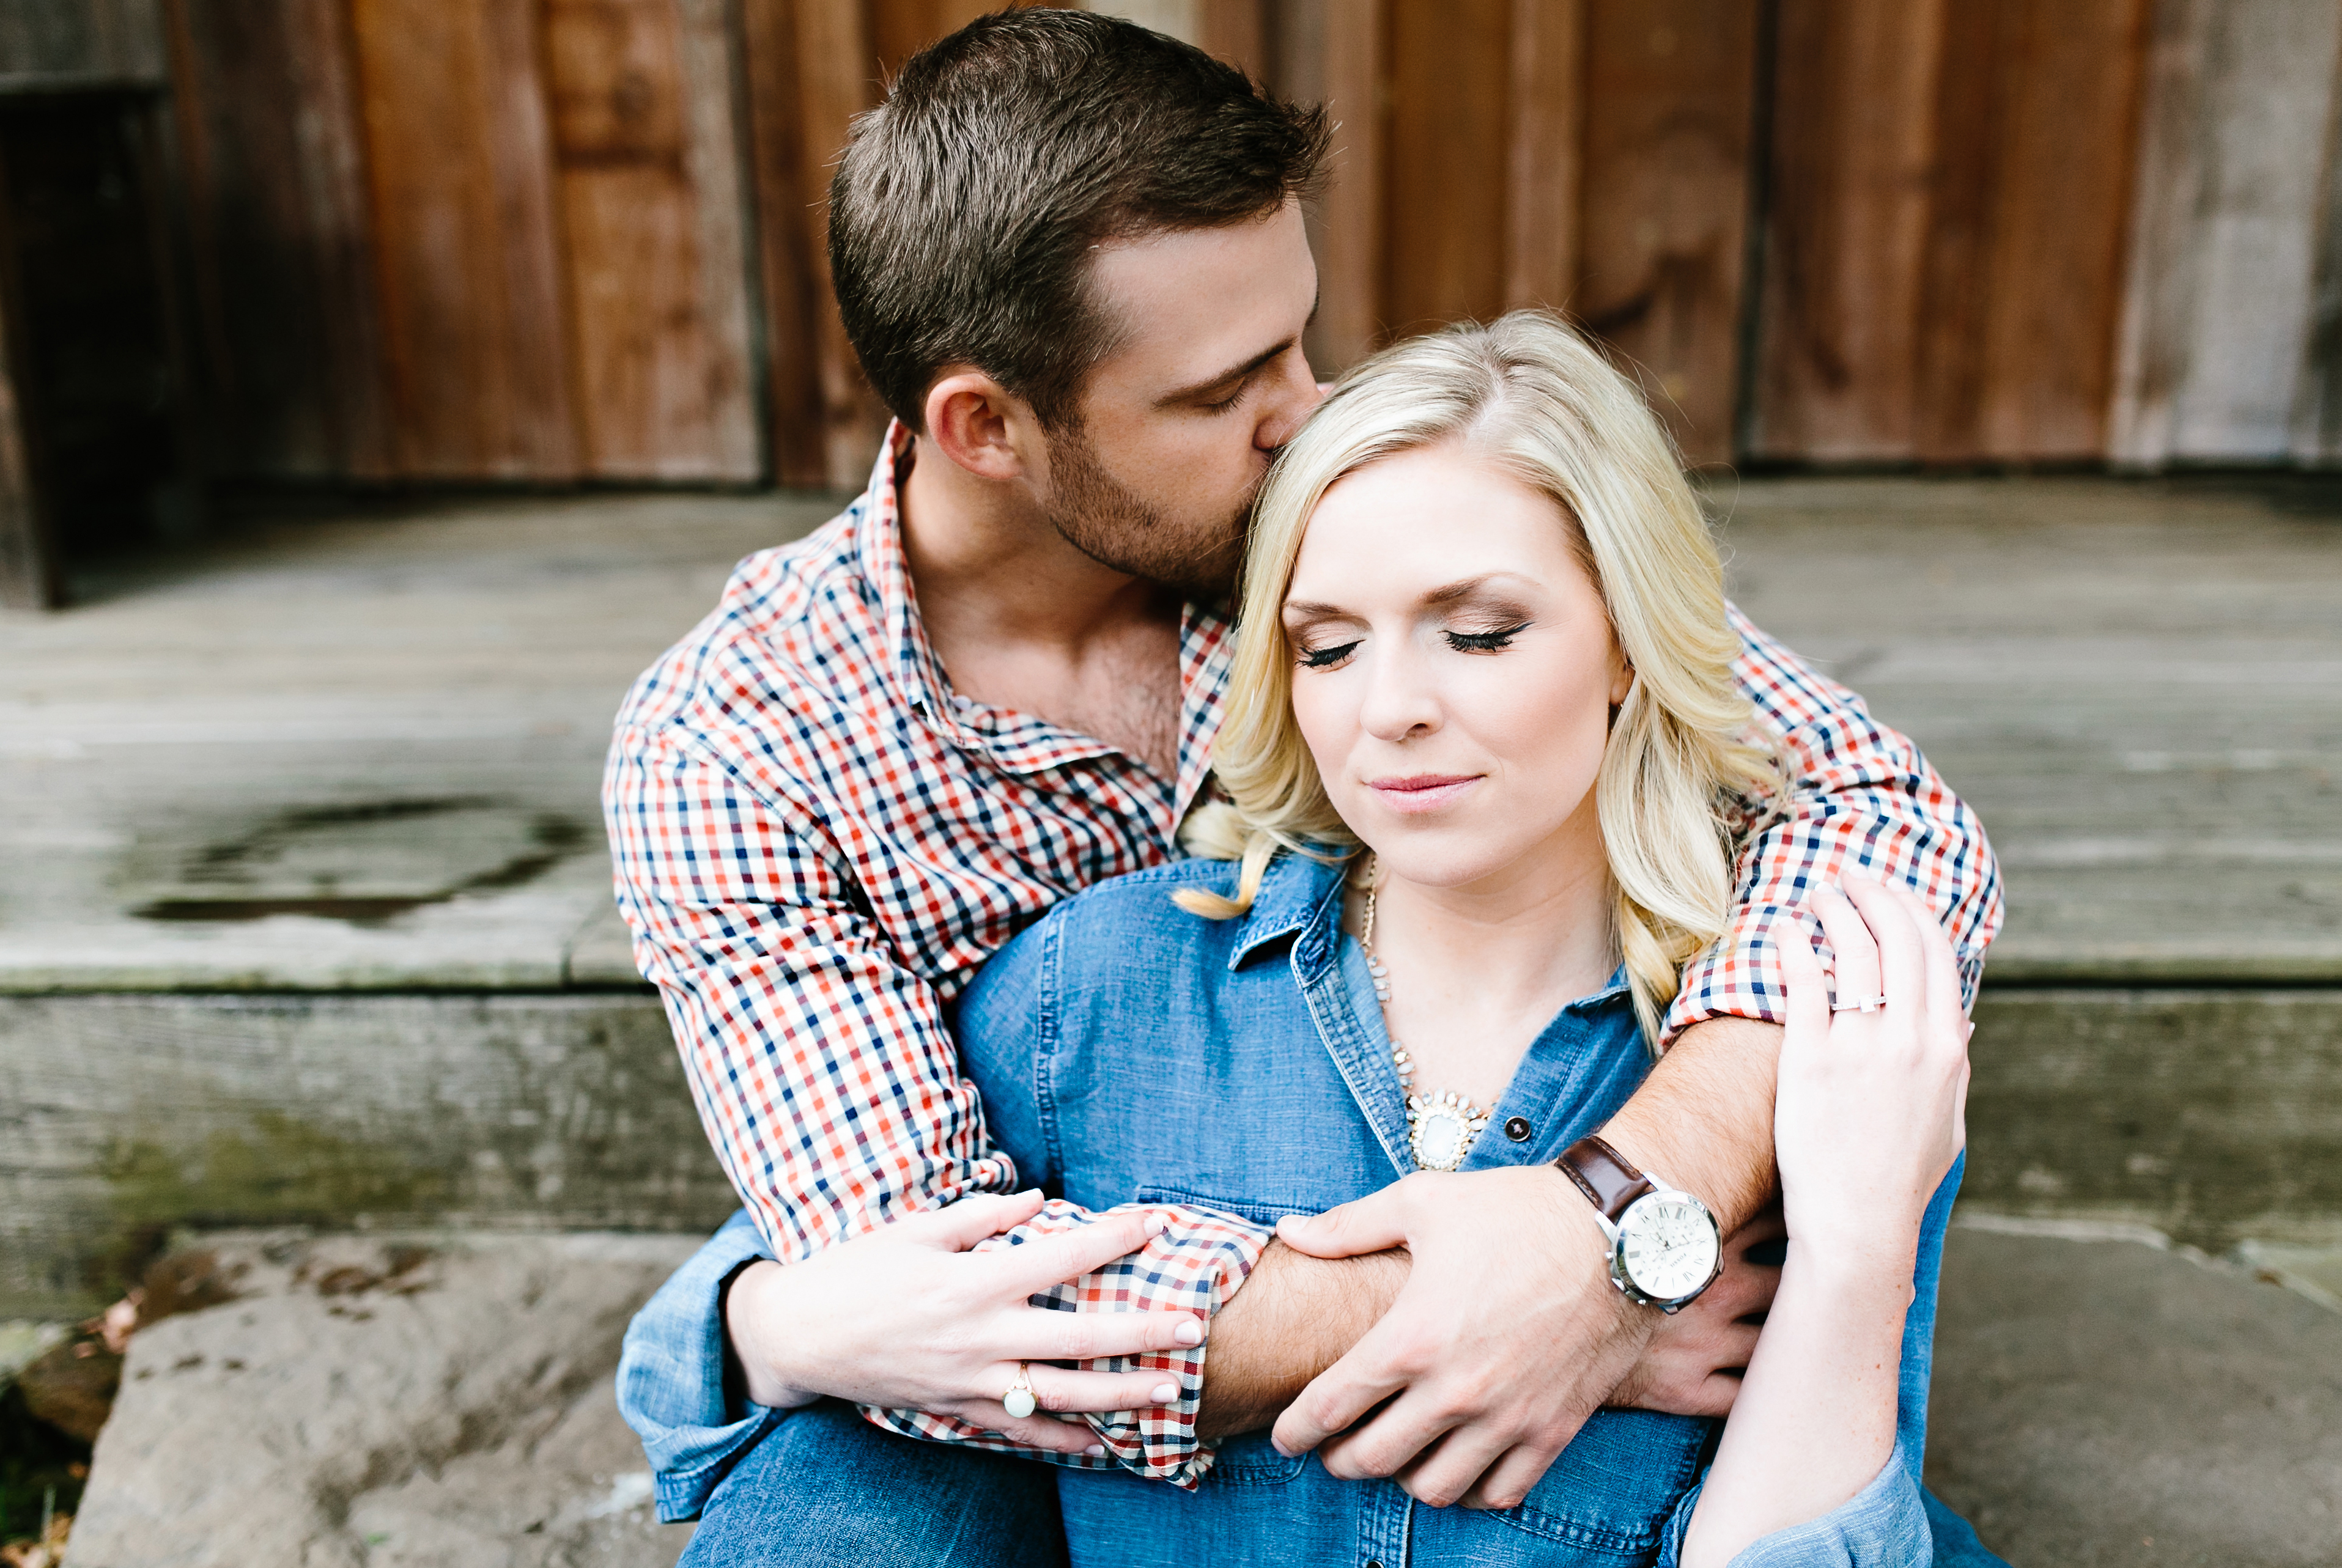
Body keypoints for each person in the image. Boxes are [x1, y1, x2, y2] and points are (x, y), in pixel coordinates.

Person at [604, 10, 2003, 1563]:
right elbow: (944, 1294)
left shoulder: (1348, 507)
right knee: (815, 1499)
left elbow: (1887, 818)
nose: (1308, 407)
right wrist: (1498, 1298)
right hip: (1011, 1389)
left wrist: (1621, 1205)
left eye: (1298, 335)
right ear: (983, 426)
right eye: (1223, 390)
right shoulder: (737, 739)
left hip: (1448, 1165)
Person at [945, 310, 1972, 1566]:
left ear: (1625, 643)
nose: (1390, 711)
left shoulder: (1808, 1045)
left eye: (1479, 632)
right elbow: (854, 1309)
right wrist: (755, 1317)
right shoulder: (1084, 997)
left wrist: (1857, 1259)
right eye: (1326, 645)